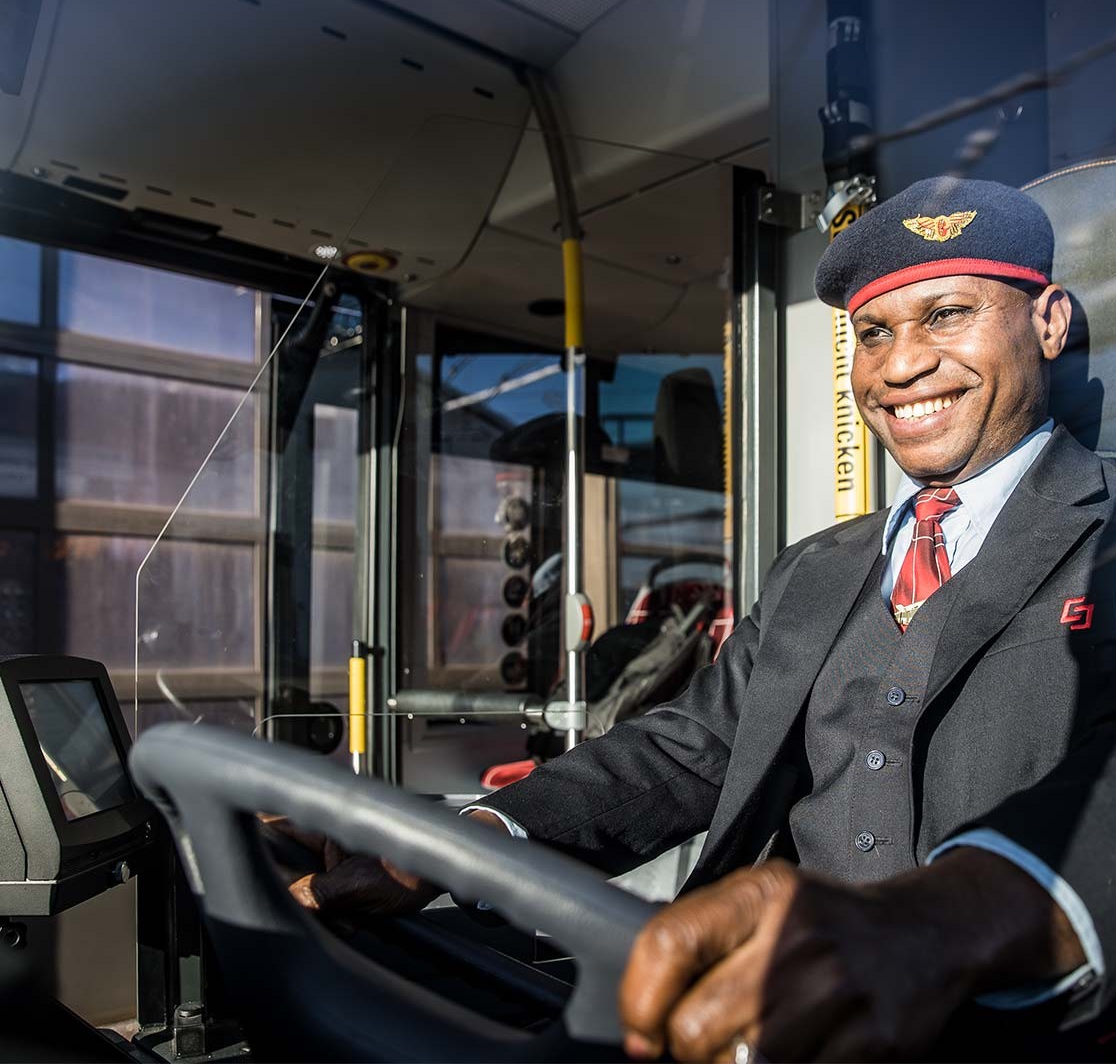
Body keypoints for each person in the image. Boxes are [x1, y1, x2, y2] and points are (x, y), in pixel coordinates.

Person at [285, 177, 1116, 1061]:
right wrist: (467, 839)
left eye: (946, 314)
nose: (900, 365)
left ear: (1050, 322)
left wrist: (937, 926)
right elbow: (686, 748)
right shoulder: (816, 570)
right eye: (874, 333)